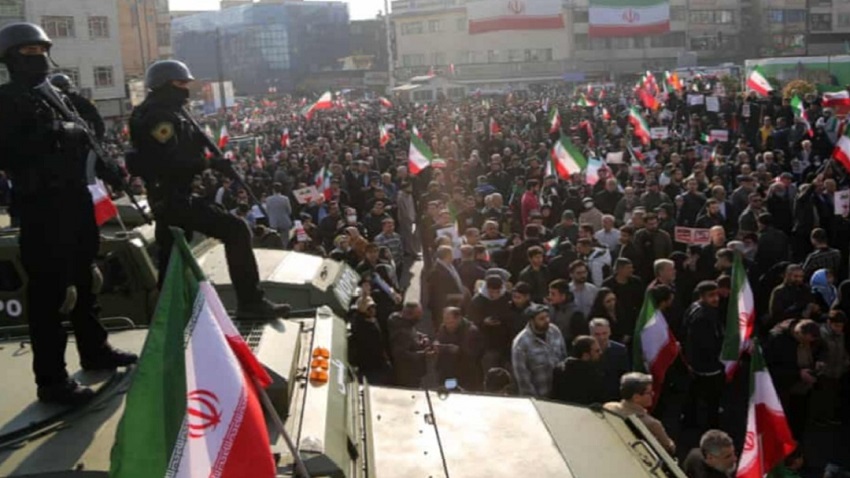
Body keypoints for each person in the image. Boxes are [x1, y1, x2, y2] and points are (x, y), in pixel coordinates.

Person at [0, 22, 138, 404]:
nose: (38, 58)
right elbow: (9, 152)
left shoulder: (54, 95)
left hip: (74, 200)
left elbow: (87, 137)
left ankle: (95, 350)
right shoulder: (7, 100)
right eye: (28, 52)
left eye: (42, 50)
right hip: (41, 207)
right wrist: (58, 132)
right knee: (49, 293)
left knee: (85, 280)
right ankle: (52, 380)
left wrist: (107, 167)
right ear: (10, 58)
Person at [128, 60, 289, 319]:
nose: (185, 88)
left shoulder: (165, 111)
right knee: (236, 230)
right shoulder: (160, 116)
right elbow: (169, 162)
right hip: (172, 197)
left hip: (169, 197)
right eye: (180, 83)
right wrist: (209, 163)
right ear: (164, 85)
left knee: (172, 259)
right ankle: (250, 302)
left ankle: (167, 317)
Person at [603, 372, 675, 454]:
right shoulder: (652, 424)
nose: (653, 394)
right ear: (636, 397)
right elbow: (669, 448)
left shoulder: (608, 408)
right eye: (649, 393)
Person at [511, 304, 567, 398]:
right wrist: (535, 400)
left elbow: (563, 357)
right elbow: (523, 378)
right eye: (541, 319)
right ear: (531, 321)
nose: (546, 321)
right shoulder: (521, 343)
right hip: (540, 396)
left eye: (547, 317)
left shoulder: (555, 331)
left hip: (559, 394)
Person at [48, 73, 105, 140]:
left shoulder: (49, 103)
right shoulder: (81, 100)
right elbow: (97, 120)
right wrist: (98, 138)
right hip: (78, 139)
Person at [551, 335, 605, 405]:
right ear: (585, 355)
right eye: (597, 351)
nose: (600, 353)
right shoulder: (592, 374)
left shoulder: (559, 369)